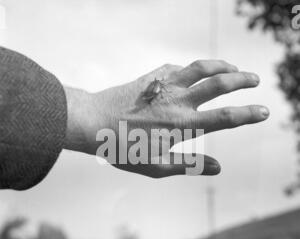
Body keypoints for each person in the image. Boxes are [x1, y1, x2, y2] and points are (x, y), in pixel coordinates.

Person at [0, 47, 269, 190]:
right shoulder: (157, 88)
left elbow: (154, 90)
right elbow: (154, 91)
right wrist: (94, 114)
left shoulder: (156, 87)